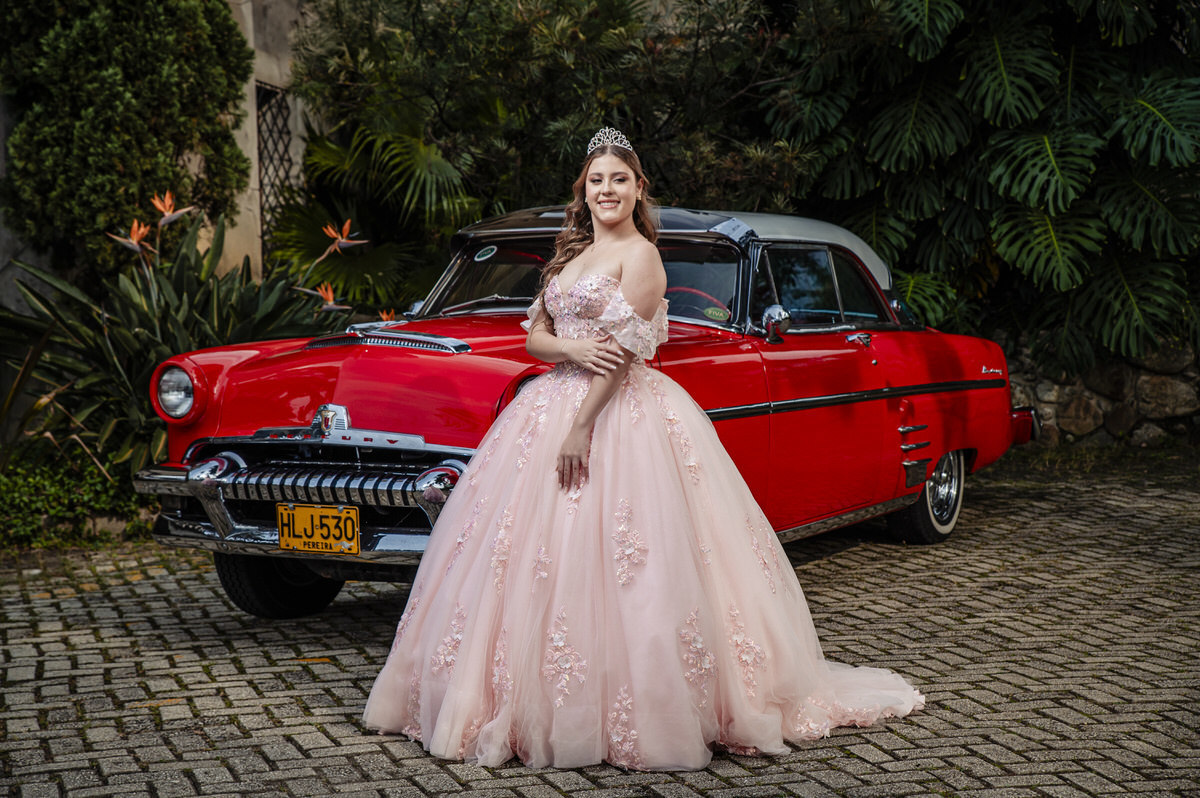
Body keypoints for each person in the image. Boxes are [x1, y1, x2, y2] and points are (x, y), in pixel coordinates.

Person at [363, 127, 924, 770]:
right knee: (529, 558)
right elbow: (537, 341)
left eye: (619, 179)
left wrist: (581, 425)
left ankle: (644, 703)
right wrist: (571, 352)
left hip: (618, 410)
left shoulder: (644, 258)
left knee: (632, 559)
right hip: (549, 403)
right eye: (597, 180)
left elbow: (626, 353)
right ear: (585, 190)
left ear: (638, 189)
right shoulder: (568, 258)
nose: (608, 189)